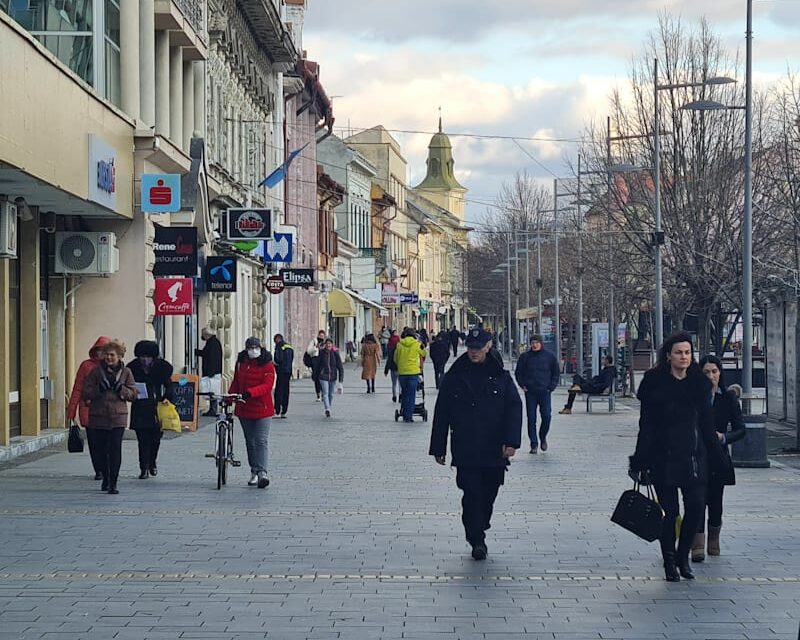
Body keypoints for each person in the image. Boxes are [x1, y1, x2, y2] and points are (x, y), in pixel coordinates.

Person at [629, 331, 722, 582]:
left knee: (695, 509)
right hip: (663, 458)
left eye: (688, 352)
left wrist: (717, 455)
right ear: (668, 355)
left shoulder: (699, 384)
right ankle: (669, 561)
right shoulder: (654, 382)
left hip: (694, 457)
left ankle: (683, 557)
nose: (684, 357)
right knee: (670, 513)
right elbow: (646, 425)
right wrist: (640, 460)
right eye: (679, 352)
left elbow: (706, 423)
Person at [429, 327, 522, 560]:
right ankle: (476, 538)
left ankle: (481, 522)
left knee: (489, 493)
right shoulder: (455, 375)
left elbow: (514, 409)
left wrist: (512, 442)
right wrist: (438, 447)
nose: (473, 352)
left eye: (478, 348)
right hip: (466, 446)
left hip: (494, 448)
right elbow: (442, 413)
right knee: (471, 494)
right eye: (470, 347)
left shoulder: (500, 375)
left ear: (488, 347)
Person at [692, 355, 746, 562]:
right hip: (695, 455)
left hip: (718, 456)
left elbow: (741, 429)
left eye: (714, 371)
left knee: (715, 500)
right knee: (696, 500)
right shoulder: (694, 397)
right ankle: (697, 543)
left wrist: (724, 437)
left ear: (720, 373)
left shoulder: (728, 398)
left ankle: (714, 538)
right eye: (706, 372)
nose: (711, 376)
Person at [81, 340, 137, 494]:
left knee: (115, 449)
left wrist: (122, 390)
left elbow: (133, 394)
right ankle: (105, 477)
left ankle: (113, 482)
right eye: (106, 354)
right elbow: (86, 392)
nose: (108, 357)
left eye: (112, 355)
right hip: (98, 416)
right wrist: (99, 389)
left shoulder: (126, 373)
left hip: (118, 417)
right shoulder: (96, 372)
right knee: (101, 450)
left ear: (119, 356)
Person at [228, 337, 276, 488]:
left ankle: (263, 472)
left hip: (263, 408)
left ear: (260, 348)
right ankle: (254, 471)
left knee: (261, 440)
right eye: (250, 348)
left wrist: (250, 393)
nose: (253, 350)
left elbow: (267, 386)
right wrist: (230, 397)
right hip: (244, 408)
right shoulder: (241, 363)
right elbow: (236, 382)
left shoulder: (267, 364)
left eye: (256, 347)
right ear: (246, 349)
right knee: (250, 441)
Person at [66, 336, 111, 480]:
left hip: (107, 411)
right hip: (89, 410)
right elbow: (77, 388)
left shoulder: (112, 366)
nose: (100, 354)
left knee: (106, 443)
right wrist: (71, 410)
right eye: (98, 351)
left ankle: (106, 468)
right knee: (93, 443)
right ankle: (98, 469)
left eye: (103, 351)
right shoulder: (86, 366)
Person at [128, 340, 174, 479]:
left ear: (153, 357)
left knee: (155, 439)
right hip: (140, 406)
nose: (145, 360)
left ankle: (152, 462)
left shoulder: (162, 368)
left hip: (157, 407)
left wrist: (168, 397)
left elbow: (169, 386)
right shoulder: (133, 368)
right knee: (142, 439)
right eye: (142, 356)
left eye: (148, 357)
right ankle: (143, 468)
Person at [514, 334, 560, 453]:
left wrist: (551, 387)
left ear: (541, 343)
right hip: (530, 392)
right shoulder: (525, 357)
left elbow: (556, 372)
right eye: (532, 343)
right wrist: (522, 385)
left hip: (545, 391)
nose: (534, 345)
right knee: (531, 418)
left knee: (546, 416)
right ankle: (533, 444)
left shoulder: (549, 357)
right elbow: (518, 372)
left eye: (536, 342)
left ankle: (543, 436)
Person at [394, 328, 427, 422]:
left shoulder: (399, 345)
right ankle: (408, 416)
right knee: (411, 394)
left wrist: (400, 365)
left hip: (402, 372)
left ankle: (404, 412)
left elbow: (395, 358)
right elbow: (424, 353)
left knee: (404, 393)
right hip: (413, 372)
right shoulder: (417, 344)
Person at [196, 327, 223, 417]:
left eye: (203, 335)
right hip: (214, 371)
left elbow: (211, 357)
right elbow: (206, 354)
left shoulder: (212, 343)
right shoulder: (213, 342)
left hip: (212, 372)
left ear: (207, 335)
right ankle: (212, 409)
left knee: (212, 391)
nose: (202, 337)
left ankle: (213, 409)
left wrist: (210, 372)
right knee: (212, 391)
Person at [314, 338, 344, 417]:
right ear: (325, 345)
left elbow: (340, 367)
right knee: (325, 393)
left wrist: (340, 382)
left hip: (333, 377)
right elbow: (317, 365)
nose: (328, 345)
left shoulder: (335, 354)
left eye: (330, 344)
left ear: (332, 345)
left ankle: (329, 408)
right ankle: (327, 408)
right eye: (327, 344)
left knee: (331, 394)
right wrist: (315, 375)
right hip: (323, 376)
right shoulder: (321, 353)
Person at [272, 334, 294, 419]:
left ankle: (277, 410)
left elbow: (279, 359)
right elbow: (292, 358)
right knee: (286, 391)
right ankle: (284, 411)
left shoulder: (279, 346)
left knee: (279, 391)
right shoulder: (290, 346)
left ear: (277, 339)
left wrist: (274, 364)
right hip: (288, 371)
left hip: (281, 371)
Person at [306, 330, 326, 401]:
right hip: (315, 361)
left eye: (323, 336)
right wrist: (316, 347)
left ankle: (323, 393)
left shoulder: (326, 343)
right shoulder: (314, 341)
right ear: (318, 335)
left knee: (323, 378)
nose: (321, 337)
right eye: (320, 336)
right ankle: (318, 394)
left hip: (323, 362)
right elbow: (308, 351)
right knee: (316, 379)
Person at [384, 338, 400, 402]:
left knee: (394, 384)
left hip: (393, 369)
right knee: (400, 384)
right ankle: (401, 395)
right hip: (400, 369)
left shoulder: (391, 351)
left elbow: (389, 361)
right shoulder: (401, 350)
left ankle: (394, 396)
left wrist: (386, 370)